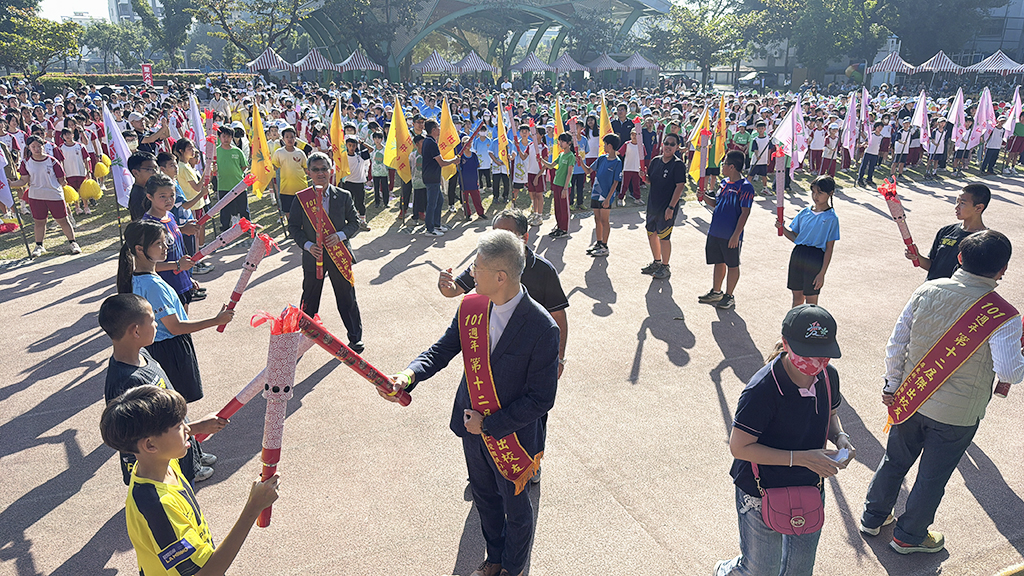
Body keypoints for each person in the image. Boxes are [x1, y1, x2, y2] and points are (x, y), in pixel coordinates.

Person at [382, 229, 559, 576]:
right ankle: (494, 558)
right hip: (472, 429)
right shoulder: (472, 308)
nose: (470, 273)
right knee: (485, 499)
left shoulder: (543, 327)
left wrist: (490, 425)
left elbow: (542, 399)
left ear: (500, 276)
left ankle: (511, 566)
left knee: (516, 507)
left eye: (476, 267)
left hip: (513, 437)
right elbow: (441, 350)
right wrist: (407, 376)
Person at [862, 230, 1024, 554]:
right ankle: (909, 536)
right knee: (931, 477)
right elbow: (1010, 372)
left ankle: (873, 516)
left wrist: (892, 385)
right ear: (1003, 269)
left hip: (911, 398)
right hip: (957, 414)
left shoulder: (927, 290)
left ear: (960, 258)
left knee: (894, 460)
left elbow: (897, 344)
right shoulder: (1003, 315)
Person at [715, 304, 853, 576]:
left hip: (809, 485)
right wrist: (800, 458)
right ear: (786, 343)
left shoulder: (828, 376)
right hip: (760, 489)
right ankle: (728, 571)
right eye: (807, 353)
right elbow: (739, 447)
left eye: (823, 355)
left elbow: (831, 414)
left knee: (799, 569)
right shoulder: (761, 390)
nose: (816, 363)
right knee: (760, 569)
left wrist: (841, 437)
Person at [100, 385, 279, 576]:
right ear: (150, 444)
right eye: (179, 426)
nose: (186, 428)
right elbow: (205, 573)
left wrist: (198, 427)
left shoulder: (159, 464)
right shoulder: (158, 509)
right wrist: (253, 507)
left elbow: (166, 440)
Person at [98, 293, 226, 486]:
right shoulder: (127, 384)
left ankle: (195, 457)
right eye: (152, 320)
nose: (157, 324)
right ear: (136, 331)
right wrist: (198, 427)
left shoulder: (142, 352)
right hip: (165, 468)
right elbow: (144, 438)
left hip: (178, 444)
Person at [437, 209, 569, 378]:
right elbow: (454, 290)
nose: (500, 240)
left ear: (525, 237)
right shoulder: (484, 265)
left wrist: (559, 358)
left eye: (508, 234)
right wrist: (445, 285)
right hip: (491, 349)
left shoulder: (544, 270)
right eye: (496, 233)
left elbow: (558, 314)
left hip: (528, 354)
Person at [116, 220, 235, 407]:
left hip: (157, 348)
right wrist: (215, 320)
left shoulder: (140, 277)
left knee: (168, 405)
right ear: (140, 249)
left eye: (165, 242)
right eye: (158, 244)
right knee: (174, 405)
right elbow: (175, 327)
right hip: (169, 350)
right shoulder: (153, 285)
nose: (165, 248)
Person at [288, 152, 365, 353]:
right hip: (313, 256)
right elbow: (294, 228)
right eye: (316, 169)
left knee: (347, 298)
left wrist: (340, 235)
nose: (321, 173)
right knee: (310, 298)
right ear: (308, 173)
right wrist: (307, 245)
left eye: (324, 169)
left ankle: (355, 338)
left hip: (339, 255)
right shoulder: (302, 198)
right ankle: (303, 336)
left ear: (331, 171)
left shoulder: (344, 195)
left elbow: (355, 223)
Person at [700, 150, 754, 310]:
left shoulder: (745, 187)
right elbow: (717, 203)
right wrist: (703, 197)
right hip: (715, 231)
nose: (722, 166)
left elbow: (745, 212)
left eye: (723, 164)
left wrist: (736, 235)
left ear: (732, 166)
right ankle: (716, 292)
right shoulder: (724, 183)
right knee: (718, 261)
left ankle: (729, 296)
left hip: (731, 234)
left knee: (732, 264)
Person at [10, 134, 81, 256]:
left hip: (54, 195)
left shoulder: (52, 161)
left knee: (62, 220)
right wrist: (10, 183)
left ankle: (73, 242)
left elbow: (61, 180)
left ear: (43, 145)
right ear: (29, 148)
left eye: (39, 146)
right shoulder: (26, 162)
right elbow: (24, 180)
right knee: (39, 221)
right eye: (33, 147)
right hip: (36, 196)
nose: (37, 149)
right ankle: (39, 245)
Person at [776, 176, 840, 307]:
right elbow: (796, 237)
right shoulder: (805, 212)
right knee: (797, 298)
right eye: (813, 192)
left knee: (811, 300)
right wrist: (782, 228)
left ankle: (810, 326)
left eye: (820, 193)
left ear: (830, 193)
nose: (815, 196)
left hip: (815, 258)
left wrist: (822, 274)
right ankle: (795, 325)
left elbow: (829, 248)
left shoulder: (831, 218)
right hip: (798, 255)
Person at [907, 184, 989, 281]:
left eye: (962, 203)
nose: (956, 207)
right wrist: (917, 257)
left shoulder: (986, 241)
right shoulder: (945, 231)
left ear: (978, 208)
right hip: (931, 290)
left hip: (957, 294)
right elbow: (933, 266)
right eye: (957, 202)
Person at [636, 132, 686, 280]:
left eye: (672, 144)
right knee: (651, 234)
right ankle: (656, 262)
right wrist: (644, 177)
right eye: (666, 143)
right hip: (653, 205)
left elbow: (680, 186)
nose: (668, 146)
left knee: (664, 237)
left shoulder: (677, 165)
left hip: (666, 207)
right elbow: (650, 180)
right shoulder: (656, 161)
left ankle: (665, 266)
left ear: (677, 147)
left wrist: (671, 207)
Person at [579, 133, 621, 258]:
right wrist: (580, 162)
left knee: (604, 220)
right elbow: (588, 171)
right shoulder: (602, 158)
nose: (604, 146)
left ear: (610, 145)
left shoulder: (617, 163)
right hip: (596, 193)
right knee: (597, 219)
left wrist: (608, 199)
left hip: (606, 196)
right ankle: (598, 243)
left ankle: (605, 246)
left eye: (605, 144)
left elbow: (615, 183)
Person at [421, 120, 458, 236]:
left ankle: (437, 224)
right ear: (433, 130)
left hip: (433, 176)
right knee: (432, 203)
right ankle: (430, 229)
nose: (439, 129)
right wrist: (454, 161)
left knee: (439, 200)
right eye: (438, 127)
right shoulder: (430, 143)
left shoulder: (430, 141)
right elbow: (441, 162)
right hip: (431, 177)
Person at [539, 132, 576, 238]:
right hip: (556, 184)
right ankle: (559, 227)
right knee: (557, 208)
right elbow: (551, 166)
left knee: (564, 208)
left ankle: (564, 229)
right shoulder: (561, 154)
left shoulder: (570, 156)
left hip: (564, 186)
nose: (560, 143)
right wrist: (541, 160)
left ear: (569, 143)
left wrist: (565, 188)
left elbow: (569, 173)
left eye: (563, 141)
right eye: (560, 141)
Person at [213, 125, 249, 233]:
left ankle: (247, 228)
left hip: (239, 184)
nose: (226, 139)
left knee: (243, 208)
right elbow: (212, 167)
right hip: (223, 185)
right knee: (225, 209)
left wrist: (236, 174)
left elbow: (244, 166)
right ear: (219, 137)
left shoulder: (237, 151)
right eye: (224, 136)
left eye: (228, 136)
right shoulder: (216, 152)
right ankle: (225, 229)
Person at [270, 126, 308, 218]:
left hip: (301, 188)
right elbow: (274, 167)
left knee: (302, 213)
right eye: (287, 137)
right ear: (283, 139)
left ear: (295, 139)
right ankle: (291, 229)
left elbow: (306, 168)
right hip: (285, 189)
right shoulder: (279, 153)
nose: (290, 139)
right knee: (288, 212)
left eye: (292, 137)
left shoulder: (300, 153)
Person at [128, 151, 158, 221]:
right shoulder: (139, 197)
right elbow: (147, 227)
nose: (155, 172)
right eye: (150, 169)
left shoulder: (149, 189)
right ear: (135, 173)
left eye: (156, 168)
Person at [857, 121, 883, 187]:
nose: (880, 129)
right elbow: (866, 142)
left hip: (875, 153)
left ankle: (869, 179)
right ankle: (860, 179)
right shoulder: (871, 134)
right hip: (868, 152)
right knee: (864, 166)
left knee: (872, 167)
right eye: (878, 127)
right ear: (875, 127)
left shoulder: (881, 136)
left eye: (881, 128)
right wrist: (862, 145)